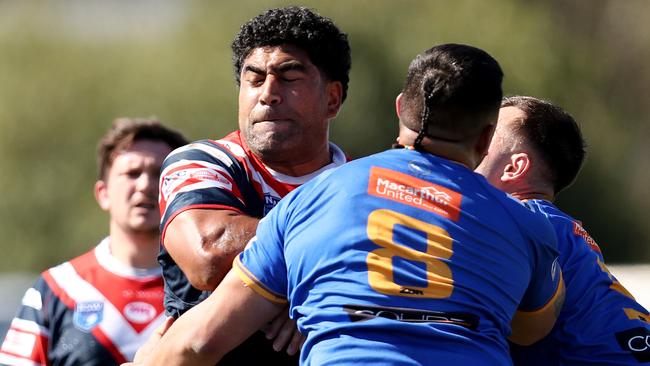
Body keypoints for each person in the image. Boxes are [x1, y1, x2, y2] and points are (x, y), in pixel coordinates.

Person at [127, 44, 565, 366]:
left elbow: (201, 342)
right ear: (487, 139)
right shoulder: (526, 227)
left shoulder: (318, 198)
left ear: (399, 109)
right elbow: (529, 331)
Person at [156, 5, 350, 364]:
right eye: (255, 79)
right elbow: (209, 256)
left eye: (289, 77)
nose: (268, 93)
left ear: (332, 98)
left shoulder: (361, 182)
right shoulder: (205, 161)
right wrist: (315, 291)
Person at [475, 95, 650, 365]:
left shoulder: (517, 220)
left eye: (489, 130)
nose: (473, 134)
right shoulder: (562, 229)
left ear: (514, 167)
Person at [0, 118, 188, 365]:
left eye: (159, 174)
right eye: (132, 173)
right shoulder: (57, 289)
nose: (145, 185)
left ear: (182, 192)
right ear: (103, 193)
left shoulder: (206, 292)